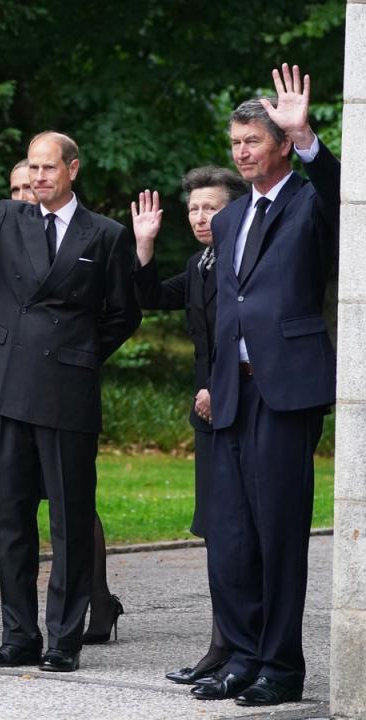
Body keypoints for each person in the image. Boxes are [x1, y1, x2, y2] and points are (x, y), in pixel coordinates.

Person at [0, 116, 140, 672]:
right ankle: (18, 636)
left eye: (50, 167)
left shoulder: (106, 234)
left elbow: (124, 313)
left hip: (66, 391)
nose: (40, 176)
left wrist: (80, 352)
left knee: (70, 520)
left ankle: (63, 641)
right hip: (4, 386)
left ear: (73, 170)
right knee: (13, 518)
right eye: (34, 167)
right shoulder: (7, 217)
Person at [189, 65, 339, 706]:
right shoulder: (229, 221)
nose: (243, 152)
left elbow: (345, 196)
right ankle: (243, 658)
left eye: (254, 140)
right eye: (236, 143)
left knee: (279, 535)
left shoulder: (309, 201)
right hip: (233, 393)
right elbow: (227, 306)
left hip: (287, 391)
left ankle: (281, 667)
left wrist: (309, 137)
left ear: (279, 144)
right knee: (231, 534)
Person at [130, 167, 248, 683]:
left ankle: (239, 645)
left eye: (212, 208)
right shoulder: (201, 263)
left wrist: (220, 385)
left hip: (240, 406)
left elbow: (244, 331)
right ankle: (222, 644)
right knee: (215, 531)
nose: (202, 217)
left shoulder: (245, 259)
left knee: (238, 531)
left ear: (236, 210)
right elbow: (149, 297)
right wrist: (144, 246)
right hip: (207, 414)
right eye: (195, 208)